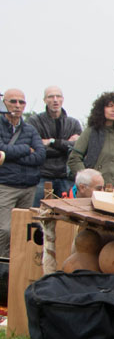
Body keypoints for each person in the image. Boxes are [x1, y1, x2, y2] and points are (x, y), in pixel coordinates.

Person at [0, 88, 45, 257]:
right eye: (13, 101)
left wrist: (9, 156)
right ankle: (3, 269)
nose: (17, 106)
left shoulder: (30, 130)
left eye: (21, 102)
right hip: (5, 186)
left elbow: (40, 156)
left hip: (28, 187)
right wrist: (26, 149)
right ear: (4, 103)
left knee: (24, 231)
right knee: (4, 229)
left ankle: (17, 267)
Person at [68, 92, 114, 189]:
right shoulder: (91, 132)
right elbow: (74, 158)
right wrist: (88, 180)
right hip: (95, 191)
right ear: (101, 109)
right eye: (110, 106)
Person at [30, 86, 81, 201]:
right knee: (37, 214)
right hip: (43, 176)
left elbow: (78, 148)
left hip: (66, 176)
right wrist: (66, 146)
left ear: (63, 99)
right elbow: (37, 149)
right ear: (44, 100)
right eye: (51, 96)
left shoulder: (73, 123)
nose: (55, 100)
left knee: (66, 216)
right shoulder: (35, 121)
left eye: (58, 96)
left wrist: (51, 142)